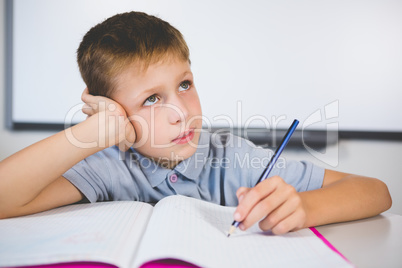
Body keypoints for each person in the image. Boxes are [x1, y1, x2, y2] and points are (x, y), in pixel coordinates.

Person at [0, 11, 391, 235]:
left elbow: (376, 192)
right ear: (111, 110)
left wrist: (304, 207)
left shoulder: (232, 157)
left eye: (184, 84)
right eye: (152, 99)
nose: (182, 111)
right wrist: (88, 134)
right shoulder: (106, 166)